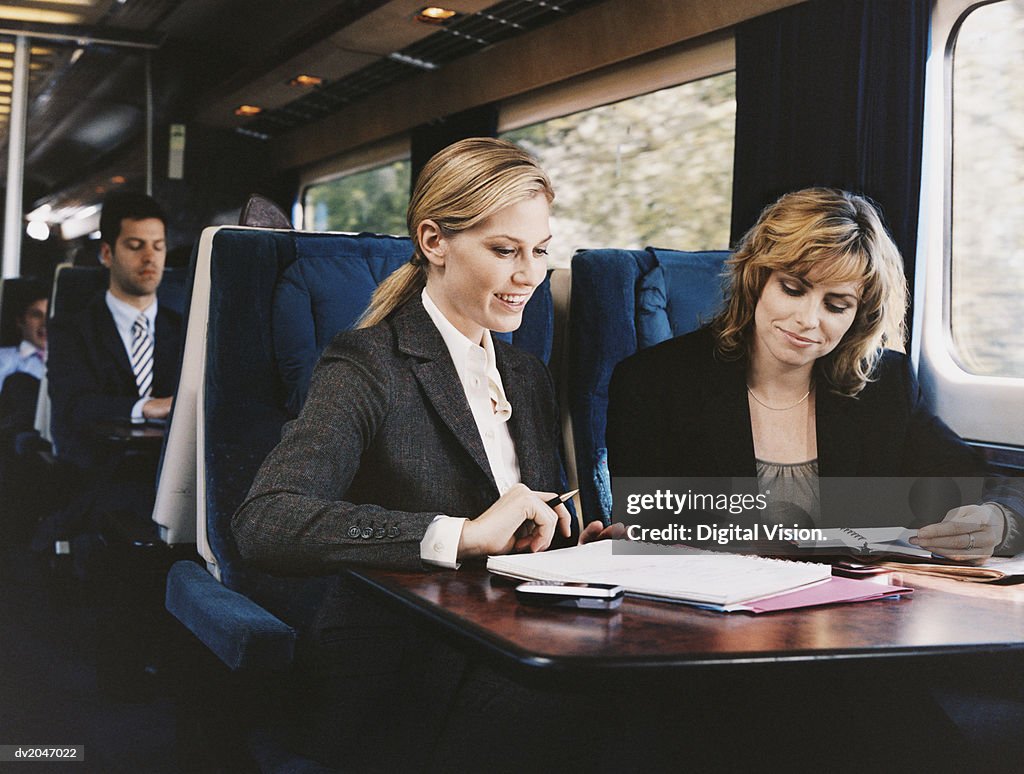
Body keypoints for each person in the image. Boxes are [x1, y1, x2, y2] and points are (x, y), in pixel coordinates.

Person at [232, 138, 617, 771]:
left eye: (539, 251)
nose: (530, 275)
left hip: (514, 642)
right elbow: (266, 521)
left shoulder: (525, 374)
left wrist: (577, 543)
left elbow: (523, 532)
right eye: (504, 250)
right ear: (435, 241)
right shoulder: (367, 363)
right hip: (401, 667)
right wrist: (459, 535)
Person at [607, 187, 1023, 562]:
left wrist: (998, 521)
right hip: (714, 618)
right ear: (758, 280)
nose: (808, 320)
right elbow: (651, 527)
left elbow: (988, 486)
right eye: (793, 289)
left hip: (847, 618)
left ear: (858, 318)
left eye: (836, 305)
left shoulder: (884, 385)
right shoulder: (654, 382)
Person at [47, 191, 180, 472]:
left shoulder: (185, 330)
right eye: (135, 246)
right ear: (107, 254)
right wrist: (144, 406)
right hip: (99, 476)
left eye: (158, 247)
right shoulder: (72, 329)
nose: (150, 258)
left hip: (169, 474)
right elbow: (74, 406)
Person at [0, 284, 48, 389]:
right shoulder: (3, 358)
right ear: (20, 321)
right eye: (36, 315)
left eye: (48, 316)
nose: (45, 323)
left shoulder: (69, 362)